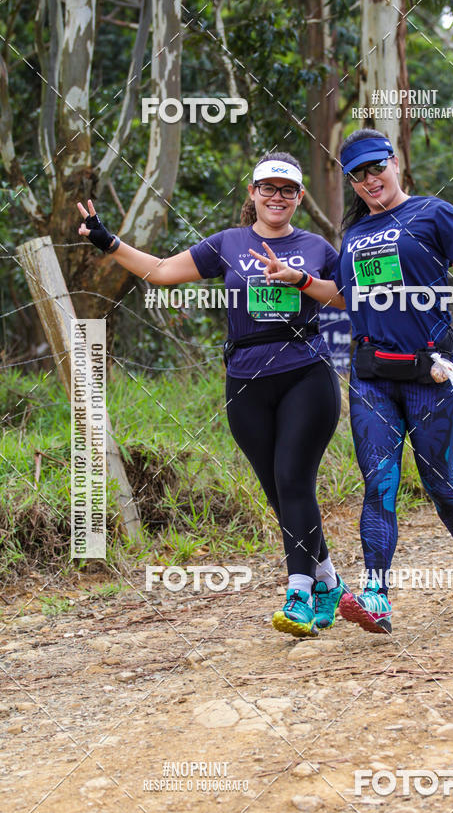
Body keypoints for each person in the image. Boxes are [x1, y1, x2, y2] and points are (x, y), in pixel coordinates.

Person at [76, 152, 349, 638]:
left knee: (293, 477)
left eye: (287, 190)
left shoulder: (316, 247)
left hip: (306, 372)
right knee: (277, 489)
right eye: (268, 187)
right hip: (245, 381)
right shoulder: (229, 243)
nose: (277, 197)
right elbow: (160, 271)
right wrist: (108, 241)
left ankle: (300, 592)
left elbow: (347, 296)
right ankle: (328, 579)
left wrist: (300, 279)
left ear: (300, 198)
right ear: (252, 193)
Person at [253, 130, 453, 635]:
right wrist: (296, 279)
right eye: (357, 175)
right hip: (371, 376)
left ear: (395, 163)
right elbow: (346, 297)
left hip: (433, 372)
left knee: (437, 479)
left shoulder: (431, 213)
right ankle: (376, 594)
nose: (369, 180)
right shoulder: (358, 234)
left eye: (375, 168)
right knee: (378, 483)